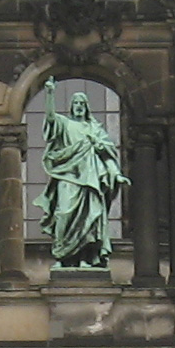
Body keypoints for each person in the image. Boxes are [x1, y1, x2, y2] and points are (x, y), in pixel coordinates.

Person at [36, 89, 129, 269]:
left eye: (82, 103)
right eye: (76, 103)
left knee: (91, 218)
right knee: (63, 214)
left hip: (90, 180)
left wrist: (116, 174)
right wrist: (49, 95)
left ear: (87, 107)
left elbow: (107, 155)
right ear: (71, 107)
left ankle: (87, 258)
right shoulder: (65, 123)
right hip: (68, 176)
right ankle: (63, 257)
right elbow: (50, 118)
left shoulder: (95, 128)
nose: (78, 107)